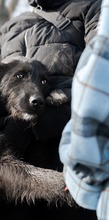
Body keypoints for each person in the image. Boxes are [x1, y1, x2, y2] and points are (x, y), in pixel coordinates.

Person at [0, 0, 102, 219]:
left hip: (58, 158)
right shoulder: (11, 26)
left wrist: (31, 127)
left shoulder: (94, 9)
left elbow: (99, 85)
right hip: (8, 179)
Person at [59, 0, 109, 219]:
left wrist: (79, 178)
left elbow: (95, 90)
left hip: (78, 156)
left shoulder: (92, 7)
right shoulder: (12, 26)